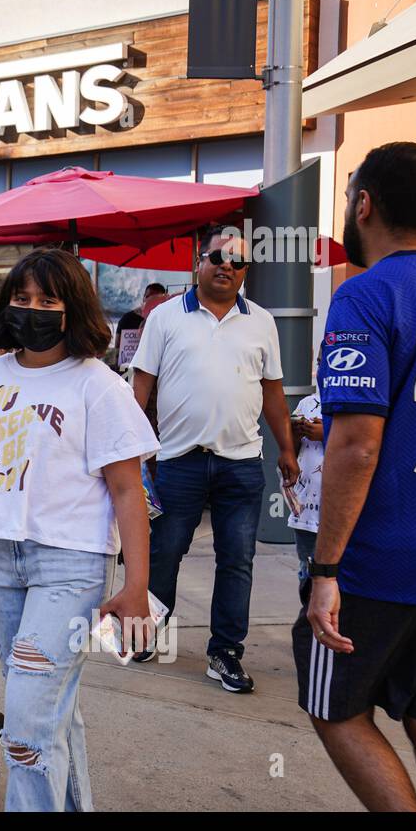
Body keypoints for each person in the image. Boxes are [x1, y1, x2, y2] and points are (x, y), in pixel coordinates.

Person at [0, 249, 160, 811]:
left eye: (48, 301)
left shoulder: (98, 386)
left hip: (70, 566)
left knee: (25, 729)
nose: (33, 310)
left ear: (72, 309)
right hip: (4, 562)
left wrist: (136, 586)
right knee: (50, 710)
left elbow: (129, 489)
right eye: (22, 299)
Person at [295, 142, 416, 812]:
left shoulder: (364, 298)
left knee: (335, 708)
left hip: (384, 560)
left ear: (364, 204)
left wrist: (325, 571)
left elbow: (354, 448)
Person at [129, 224, 298, 691]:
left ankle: (225, 653)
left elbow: (273, 391)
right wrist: (132, 447)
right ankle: (145, 631)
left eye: (238, 262)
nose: (227, 266)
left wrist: (286, 448)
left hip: (241, 465)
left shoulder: (261, 321)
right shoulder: (165, 317)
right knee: (164, 551)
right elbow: (140, 384)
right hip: (178, 461)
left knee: (237, 560)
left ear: (245, 272)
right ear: (198, 262)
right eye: (218, 257)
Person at [288, 383, 323, 599]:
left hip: (337, 512)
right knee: (307, 570)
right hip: (307, 511)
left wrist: (327, 432)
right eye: (320, 362)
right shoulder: (307, 403)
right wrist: (294, 431)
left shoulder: (352, 403)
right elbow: (292, 450)